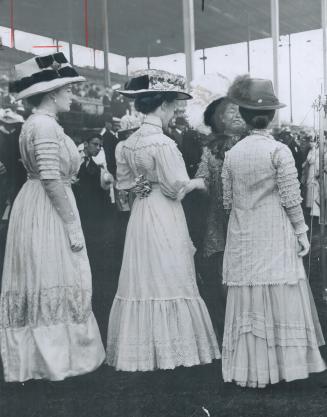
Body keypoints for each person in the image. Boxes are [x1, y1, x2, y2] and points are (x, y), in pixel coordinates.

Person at [0, 53, 105, 382]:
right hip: (47, 206)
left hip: (38, 203)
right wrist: (71, 222)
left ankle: (48, 356)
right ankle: (54, 359)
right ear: (50, 94)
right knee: (52, 272)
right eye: (67, 89)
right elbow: (49, 178)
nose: (71, 94)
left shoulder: (40, 124)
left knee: (46, 273)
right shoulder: (43, 125)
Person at [106, 69, 220, 371]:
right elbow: (176, 186)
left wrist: (148, 185)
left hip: (142, 212)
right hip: (165, 212)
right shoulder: (164, 144)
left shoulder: (127, 144)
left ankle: (143, 348)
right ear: (161, 106)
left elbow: (127, 186)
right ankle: (171, 349)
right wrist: (200, 182)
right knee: (169, 272)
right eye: (172, 108)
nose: (174, 114)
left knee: (144, 274)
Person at [221, 75, 326, 388]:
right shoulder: (279, 151)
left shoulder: (232, 154)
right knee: (280, 290)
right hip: (273, 227)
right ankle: (285, 364)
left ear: (243, 115)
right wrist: (302, 232)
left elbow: (227, 202)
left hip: (243, 230)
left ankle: (251, 366)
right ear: (272, 117)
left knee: (249, 293)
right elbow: (292, 199)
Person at [194, 95, 246, 342]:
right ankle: (231, 331)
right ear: (218, 119)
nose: (237, 115)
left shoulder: (252, 142)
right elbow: (202, 178)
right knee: (225, 273)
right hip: (220, 221)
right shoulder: (210, 149)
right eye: (230, 112)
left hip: (247, 218)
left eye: (239, 111)